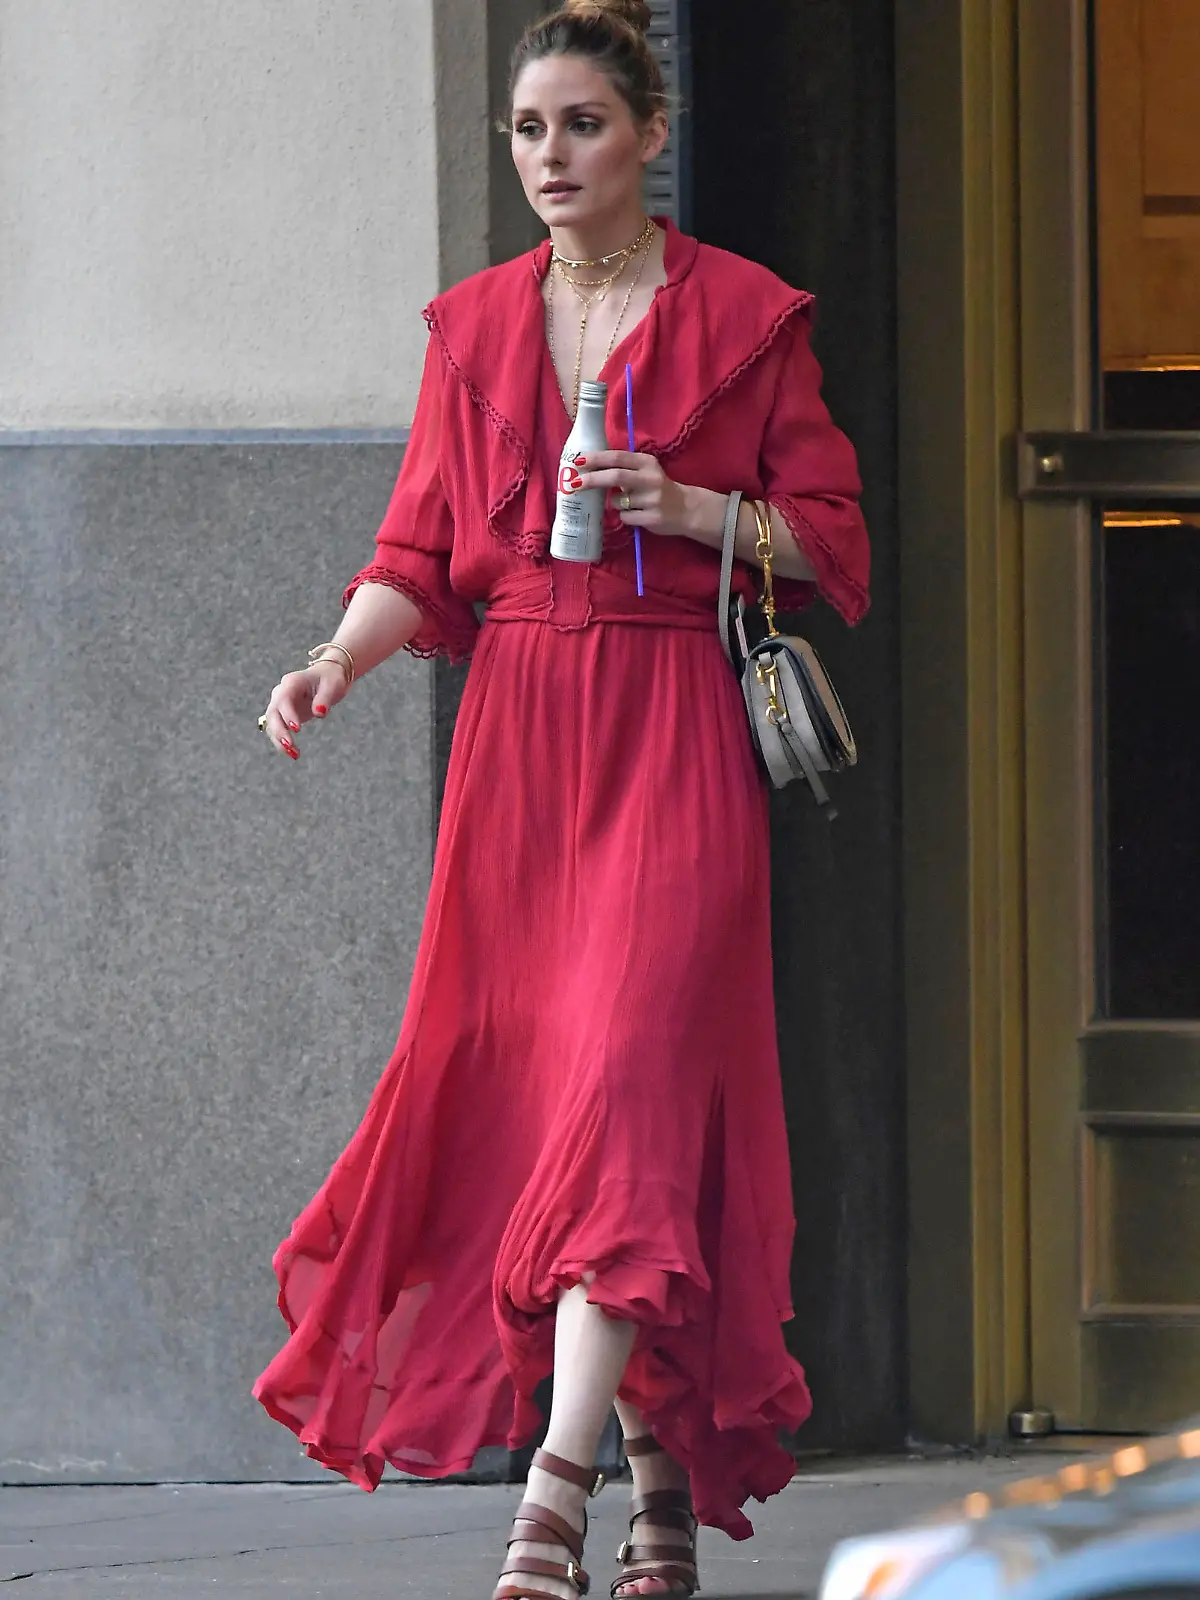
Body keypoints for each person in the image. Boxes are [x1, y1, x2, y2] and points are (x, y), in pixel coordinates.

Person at [253, 1, 870, 1595]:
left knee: (631, 1090)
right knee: (544, 1103)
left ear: (650, 136)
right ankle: (661, 1496)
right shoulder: (470, 328)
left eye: (582, 126)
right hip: (520, 736)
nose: (550, 156)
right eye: (529, 130)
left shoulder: (746, 315)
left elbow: (830, 535)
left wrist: (694, 505)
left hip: (671, 724)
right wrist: (335, 662)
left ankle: (554, 1491)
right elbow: (412, 552)